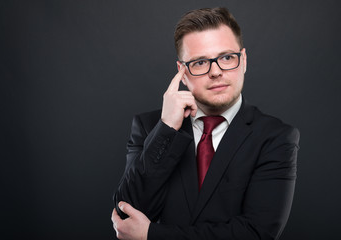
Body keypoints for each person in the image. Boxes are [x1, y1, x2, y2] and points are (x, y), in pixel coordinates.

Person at [111, 7, 300, 240]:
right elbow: (126, 214)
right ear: (182, 71)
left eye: (227, 57)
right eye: (200, 62)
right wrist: (167, 128)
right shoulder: (151, 126)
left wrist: (153, 234)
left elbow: (256, 233)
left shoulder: (276, 137)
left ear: (244, 61)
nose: (216, 71)